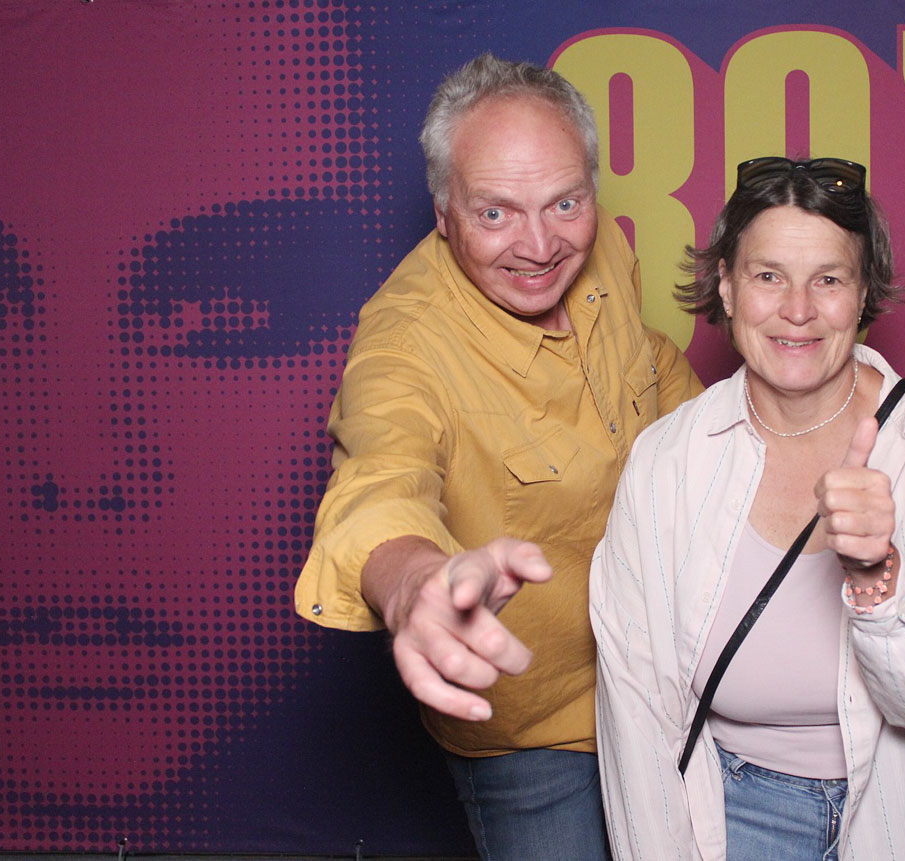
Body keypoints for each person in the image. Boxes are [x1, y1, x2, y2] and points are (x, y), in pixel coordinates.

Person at [293, 53, 702, 859]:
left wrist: (757, 441)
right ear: (444, 213)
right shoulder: (404, 346)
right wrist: (414, 584)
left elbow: (648, 361)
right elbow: (379, 476)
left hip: (660, 673)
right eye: (495, 214)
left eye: (565, 202)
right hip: (532, 728)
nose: (541, 245)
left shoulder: (601, 251)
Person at [589, 157, 905, 860]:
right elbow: (636, 715)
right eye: (768, 276)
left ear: (863, 292)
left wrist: (879, 576)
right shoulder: (666, 459)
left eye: (829, 279)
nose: (797, 309)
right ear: (726, 285)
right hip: (736, 817)